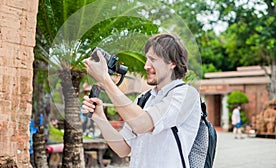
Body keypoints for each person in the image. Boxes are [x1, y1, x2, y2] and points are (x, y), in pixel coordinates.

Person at [82, 33, 201, 167]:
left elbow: (143, 124)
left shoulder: (185, 94)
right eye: (146, 60)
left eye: (153, 60)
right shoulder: (144, 99)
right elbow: (123, 149)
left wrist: (105, 79)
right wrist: (100, 118)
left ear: (172, 63)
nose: (146, 66)